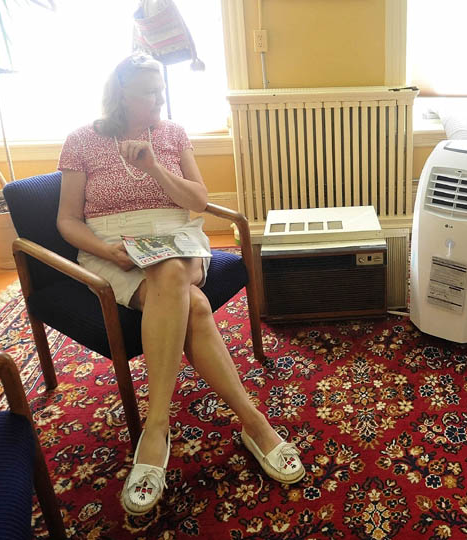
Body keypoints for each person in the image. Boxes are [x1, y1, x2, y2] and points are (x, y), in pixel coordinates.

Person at [56, 53, 305, 515]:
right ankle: (253, 422)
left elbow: (198, 201)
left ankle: (155, 428)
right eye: (148, 90)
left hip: (178, 236)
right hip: (113, 243)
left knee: (170, 269)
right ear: (121, 93)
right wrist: (107, 250)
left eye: (160, 89)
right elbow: (67, 219)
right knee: (193, 305)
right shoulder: (82, 140)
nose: (158, 97)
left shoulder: (170, 133)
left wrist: (154, 167)